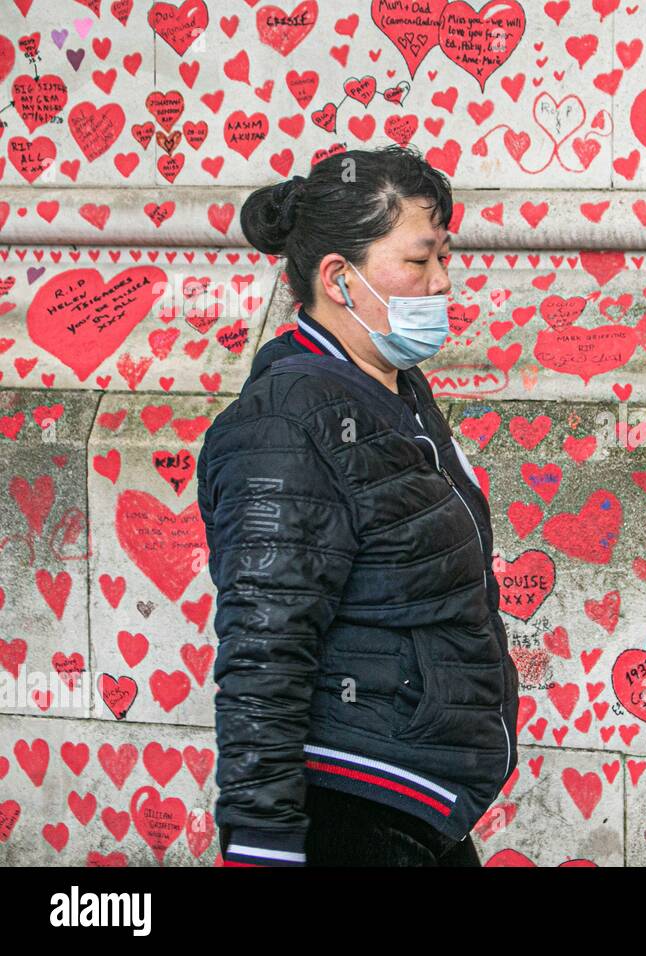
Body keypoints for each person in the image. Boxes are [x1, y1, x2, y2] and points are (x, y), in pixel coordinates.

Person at [197, 145, 519, 866]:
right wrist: (265, 844)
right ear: (339, 279)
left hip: (414, 798)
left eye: (444, 257)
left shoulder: (390, 390)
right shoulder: (286, 424)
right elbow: (263, 652)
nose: (442, 282)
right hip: (349, 810)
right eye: (418, 261)